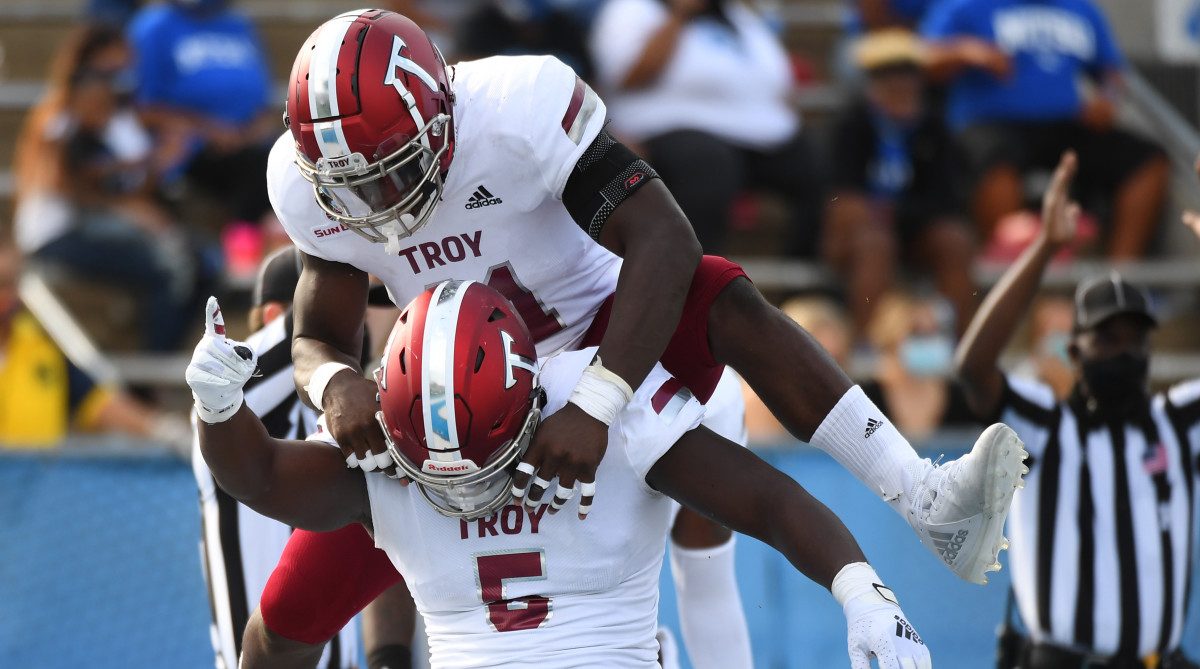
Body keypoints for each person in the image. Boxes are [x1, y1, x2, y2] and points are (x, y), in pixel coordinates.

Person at [258, 9, 1027, 652]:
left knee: (717, 294)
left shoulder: (519, 107)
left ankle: (924, 494)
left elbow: (666, 239)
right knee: (287, 617)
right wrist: (334, 382)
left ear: (441, 112)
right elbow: (317, 334)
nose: (380, 201)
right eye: (352, 185)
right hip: (453, 397)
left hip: (603, 343)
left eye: (394, 167)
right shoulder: (303, 182)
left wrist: (599, 399)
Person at [187, 281, 936, 668]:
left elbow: (769, 501)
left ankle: (926, 487)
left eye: (484, 455)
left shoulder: (600, 409)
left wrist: (861, 592)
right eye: (434, 469)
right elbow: (260, 475)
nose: (461, 484)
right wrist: (219, 407)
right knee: (277, 628)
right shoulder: (389, 431)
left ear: (532, 399)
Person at [954, 151, 1200, 669]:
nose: (1124, 353)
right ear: (1074, 352)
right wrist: (1044, 247)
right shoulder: (1045, 426)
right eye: (1108, 339)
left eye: (1135, 340)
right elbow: (974, 368)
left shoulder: (1177, 423)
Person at [191, 246, 402, 669]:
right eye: (363, 303)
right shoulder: (237, 401)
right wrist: (337, 247)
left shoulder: (344, 417)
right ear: (275, 315)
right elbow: (310, 337)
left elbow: (387, 528)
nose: (373, 318)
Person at [921, 0, 1169, 259]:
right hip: (990, 123)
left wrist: (1107, 100)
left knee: (1147, 158)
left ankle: (1121, 271)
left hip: (1066, 123)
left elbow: (1112, 74)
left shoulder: (1082, 9)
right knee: (992, 156)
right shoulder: (965, 5)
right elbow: (922, 58)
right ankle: (1012, 264)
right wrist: (964, 52)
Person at [12, 23, 202, 351]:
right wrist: (129, 210)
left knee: (198, 260)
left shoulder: (120, 119)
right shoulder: (58, 116)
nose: (116, 79)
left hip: (105, 226)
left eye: (122, 70)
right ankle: (152, 369)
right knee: (168, 269)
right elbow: (60, 185)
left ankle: (161, 360)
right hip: (56, 235)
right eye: (106, 72)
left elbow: (136, 188)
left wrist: (159, 163)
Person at [588, 0, 824, 256]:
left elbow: (779, 79)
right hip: (669, 126)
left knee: (815, 165)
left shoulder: (736, 15)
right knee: (710, 165)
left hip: (756, 132)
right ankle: (697, 269)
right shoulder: (632, 9)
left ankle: (803, 267)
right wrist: (680, 15)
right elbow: (628, 75)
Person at [824, 30, 975, 336]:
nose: (900, 85)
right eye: (889, 77)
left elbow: (945, 197)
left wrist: (896, 213)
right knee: (874, 242)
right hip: (863, 234)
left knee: (954, 240)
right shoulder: (851, 126)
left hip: (914, 228)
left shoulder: (933, 128)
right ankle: (867, 343)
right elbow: (841, 193)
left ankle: (962, 342)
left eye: (907, 75)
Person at [127, 0, 281, 273]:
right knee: (254, 168)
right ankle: (243, 260)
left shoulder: (238, 24)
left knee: (278, 159)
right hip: (188, 148)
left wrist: (249, 132)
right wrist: (209, 130)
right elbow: (142, 107)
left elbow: (263, 100)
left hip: (246, 142)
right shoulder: (153, 27)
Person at [0, 245, 189, 450]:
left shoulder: (44, 346)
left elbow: (98, 402)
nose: (6, 295)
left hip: (38, 469)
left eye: (9, 283)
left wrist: (163, 430)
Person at [861, 291, 979, 442]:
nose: (928, 341)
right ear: (890, 338)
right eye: (917, 331)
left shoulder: (961, 399)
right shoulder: (866, 398)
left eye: (934, 331)